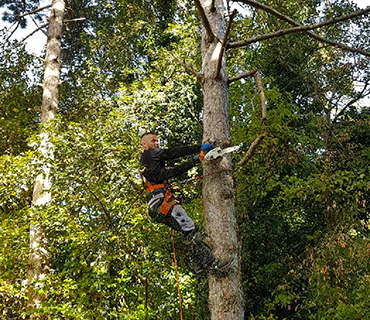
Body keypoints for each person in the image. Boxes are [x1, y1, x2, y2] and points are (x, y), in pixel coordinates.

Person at [139, 132, 230, 275]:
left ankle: (198, 264)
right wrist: (199, 147)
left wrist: (196, 160)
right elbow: (173, 153)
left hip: (156, 207)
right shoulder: (150, 154)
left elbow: (174, 171)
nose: (157, 143)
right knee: (191, 230)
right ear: (144, 145)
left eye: (158, 140)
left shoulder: (152, 165)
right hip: (162, 202)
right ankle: (213, 265)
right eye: (153, 140)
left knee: (189, 232)